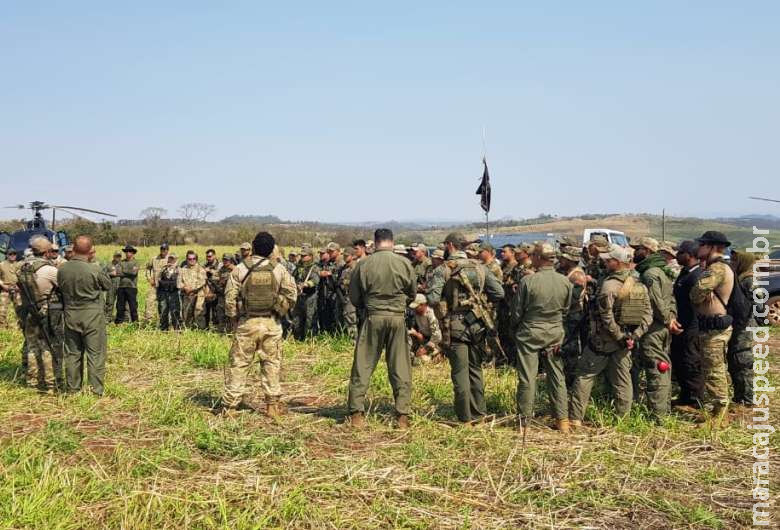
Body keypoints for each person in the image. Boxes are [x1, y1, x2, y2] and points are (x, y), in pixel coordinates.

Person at [569, 245, 652, 427]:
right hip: (626, 343)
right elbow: (648, 315)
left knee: (585, 375)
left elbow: (606, 317)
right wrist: (633, 337)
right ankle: (623, 420)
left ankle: (575, 418)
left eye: (609, 260)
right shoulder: (639, 284)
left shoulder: (609, 286)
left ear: (617, 262)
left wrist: (619, 336)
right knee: (623, 381)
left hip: (604, 341)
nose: (605, 262)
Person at [221, 232, 297, 417]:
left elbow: (229, 298)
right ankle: (272, 406)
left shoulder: (240, 269)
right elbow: (292, 295)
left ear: (253, 248)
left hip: (247, 323)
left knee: (239, 364)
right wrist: (279, 310)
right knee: (271, 363)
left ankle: (230, 408)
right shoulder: (279, 269)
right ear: (272, 249)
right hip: (271, 324)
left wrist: (234, 320)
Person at [347, 228, 416, 429]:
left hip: (373, 316)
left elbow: (355, 297)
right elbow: (412, 293)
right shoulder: (405, 263)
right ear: (392, 242)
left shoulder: (364, 264)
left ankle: (356, 413)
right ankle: (402, 415)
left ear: (375, 243)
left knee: (363, 364)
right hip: (396, 318)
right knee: (400, 365)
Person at [433, 232, 504, 423]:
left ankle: (464, 418)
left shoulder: (443, 269)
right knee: (475, 370)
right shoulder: (481, 268)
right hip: (479, 325)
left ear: (450, 246)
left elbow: (432, 298)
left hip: (455, 326)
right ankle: (479, 414)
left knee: (459, 373)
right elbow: (499, 292)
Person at [511, 243, 573, 432]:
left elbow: (516, 313)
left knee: (528, 378)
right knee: (557, 376)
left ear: (538, 257)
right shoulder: (565, 281)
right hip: (555, 332)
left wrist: (516, 328)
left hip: (530, 332)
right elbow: (567, 309)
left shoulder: (528, 282)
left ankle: (525, 422)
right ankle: (562, 420)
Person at [630, 237, 680, 419]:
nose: (635, 251)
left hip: (653, 329)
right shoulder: (659, 271)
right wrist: (671, 319)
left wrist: (668, 320)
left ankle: (659, 416)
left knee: (656, 369)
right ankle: (663, 410)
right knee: (663, 368)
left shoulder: (650, 274)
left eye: (639, 248)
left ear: (648, 251)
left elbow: (656, 301)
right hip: (662, 326)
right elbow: (671, 299)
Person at [690, 231, 735, 429]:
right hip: (711, 328)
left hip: (715, 329)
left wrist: (699, 292)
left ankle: (720, 415)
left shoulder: (716, 269)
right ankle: (716, 410)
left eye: (701, 245)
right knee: (713, 369)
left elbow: (697, 292)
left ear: (711, 247)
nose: (698, 249)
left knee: (714, 371)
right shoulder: (714, 267)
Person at [57, 236, 111, 395]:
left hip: (70, 314)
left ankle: (73, 389)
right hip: (92, 315)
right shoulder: (94, 269)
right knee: (95, 354)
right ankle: (96, 390)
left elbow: (60, 286)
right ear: (90, 250)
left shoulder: (62, 269)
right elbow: (107, 285)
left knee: (73, 354)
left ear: (73, 248)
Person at [17, 236, 60, 391]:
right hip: (44, 312)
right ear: (47, 251)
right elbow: (63, 287)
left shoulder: (22, 267)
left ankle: (32, 381)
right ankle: (49, 383)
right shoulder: (50, 270)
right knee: (47, 347)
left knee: (31, 347)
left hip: (28, 312)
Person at [670, 241, 704, 410]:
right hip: (680, 326)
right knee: (680, 362)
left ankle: (694, 400)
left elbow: (696, 306)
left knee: (690, 362)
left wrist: (689, 328)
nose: (677, 255)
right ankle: (685, 396)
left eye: (680, 252)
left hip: (691, 327)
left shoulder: (697, 275)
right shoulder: (685, 272)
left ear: (689, 255)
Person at [727, 250, 758, 410]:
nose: (732, 263)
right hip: (739, 324)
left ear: (743, 261)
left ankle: (747, 398)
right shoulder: (740, 277)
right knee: (734, 359)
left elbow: (758, 305)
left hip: (745, 325)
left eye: (734, 260)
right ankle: (739, 396)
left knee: (742, 360)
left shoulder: (749, 280)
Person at [556, 247, 588, 387]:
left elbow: (573, 297)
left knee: (570, 347)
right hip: (569, 314)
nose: (560, 260)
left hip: (573, 315)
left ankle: (571, 379)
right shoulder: (569, 273)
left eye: (563, 258)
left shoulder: (577, 276)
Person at [291, 247, 320, 340]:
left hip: (310, 297)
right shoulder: (298, 267)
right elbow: (293, 277)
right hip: (299, 296)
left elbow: (315, 280)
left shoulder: (314, 267)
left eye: (304, 256)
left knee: (310, 319)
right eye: (301, 255)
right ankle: (298, 338)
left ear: (310, 256)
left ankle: (310, 338)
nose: (302, 257)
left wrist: (306, 284)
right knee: (297, 318)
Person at [407, 293, 443, 365]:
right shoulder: (416, 313)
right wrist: (416, 334)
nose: (415, 308)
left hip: (435, 342)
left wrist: (425, 349)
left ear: (423, 304)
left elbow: (437, 337)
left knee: (426, 359)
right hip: (424, 339)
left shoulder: (431, 314)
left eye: (417, 306)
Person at [179, 250, 207, 329]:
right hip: (186, 295)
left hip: (198, 295)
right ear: (186, 259)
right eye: (189, 259)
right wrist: (184, 287)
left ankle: (201, 330)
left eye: (193, 258)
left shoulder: (200, 269)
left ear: (196, 259)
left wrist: (192, 289)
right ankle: (187, 330)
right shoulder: (183, 269)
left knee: (199, 313)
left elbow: (202, 281)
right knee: (186, 313)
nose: (192, 260)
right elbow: (179, 282)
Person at [143, 243, 169, 324]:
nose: (163, 251)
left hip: (164, 287)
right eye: (162, 249)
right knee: (149, 302)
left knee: (163, 305)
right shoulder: (154, 259)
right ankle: (148, 322)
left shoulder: (170, 259)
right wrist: (149, 278)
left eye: (165, 249)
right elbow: (147, 268)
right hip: (154, 286)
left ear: (168, 250)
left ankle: (163, 323)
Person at [115, 245, 139, 324]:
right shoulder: (121, 262)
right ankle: (118, 323)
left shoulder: (136, 262)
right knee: (120, 306)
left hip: (132, 287)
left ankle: (135, 323)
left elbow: (134, 273)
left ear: (133, 253)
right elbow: (118, 272)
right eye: (126, 251)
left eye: (130, 251)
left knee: (133, 306)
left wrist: (123, 271)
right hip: (121, 287)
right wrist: (128, 272)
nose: (128, 253)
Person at [157, 254, 182, 331]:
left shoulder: (179, 269)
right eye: (170, 258)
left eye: (173, 259)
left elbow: (180, 282)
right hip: (164, 293)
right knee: (163, 311)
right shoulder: (163, 269)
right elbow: (158, 279)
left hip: (174, 293)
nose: (172, 260)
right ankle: (164, 329)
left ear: (176, 260)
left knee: (175, 312)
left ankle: (177, 329)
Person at [216, 253, 236, 332]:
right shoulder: (221, 270)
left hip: (232, 296)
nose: (225, 261)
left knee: (232, 314)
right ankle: (222, 331)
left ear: (231, 260)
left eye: (227, 260)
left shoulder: (236, 269)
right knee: (221, 313)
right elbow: (218, 280)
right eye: (224, 259)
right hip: (222, 295)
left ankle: (233, 331)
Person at [0, 248, 20, 329]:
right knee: (2, 309)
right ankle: (2, 327)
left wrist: (19, 286)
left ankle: (19, 326)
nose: (12, 256)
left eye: (14, 254)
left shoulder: (19, 264)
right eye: (10, 254)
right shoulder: (1, 264)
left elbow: (22, 277)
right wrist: (3, 285)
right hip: (5, 289)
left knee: (19, 309)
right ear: (7, 255)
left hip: (17, 289)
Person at [203, 248, 221, 330]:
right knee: (206, 312)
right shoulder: (204, 265)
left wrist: (212, 272)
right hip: (207, 292)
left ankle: (216, 328)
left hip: (217, 291)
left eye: (210, 256)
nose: (208, 258)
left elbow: (222, 276)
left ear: (214, 256)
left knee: (216, 312)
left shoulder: (220, 265)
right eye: (207, 256)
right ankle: (206, 328)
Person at [103, 251, 122, 322]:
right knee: (109, 302)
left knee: (120, 303)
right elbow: (102, 274)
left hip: (120, 286)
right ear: (114, 256)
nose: (118, 258)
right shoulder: (108, 265)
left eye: (119, 256)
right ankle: (108, 318)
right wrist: (110, 273)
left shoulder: (122, 264)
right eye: (117, 256)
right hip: (111, 286)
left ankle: (119, 318)